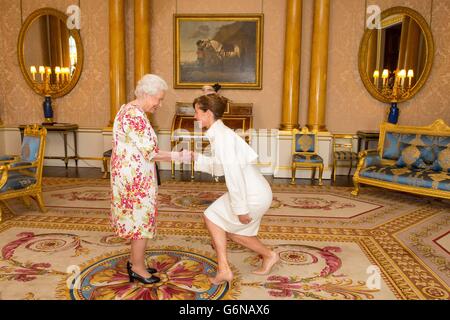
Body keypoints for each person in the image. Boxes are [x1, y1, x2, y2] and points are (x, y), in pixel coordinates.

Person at [110, 74, 191, 284]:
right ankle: (137, 268)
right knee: (141, 221)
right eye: (159, 99)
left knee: (140, 219)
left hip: (132, 174)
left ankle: (134, 260)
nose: (160, 104)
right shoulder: (135, 116)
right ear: (146, 94)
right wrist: (178, 156)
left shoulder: (128, 109)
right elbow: (151, 152)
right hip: (134, 179)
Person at [192, 94, 279, 285]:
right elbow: (220, 167)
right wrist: (195, 157)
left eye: (197, 112)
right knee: (232, 231)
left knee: (213, 217)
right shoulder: (220, 133)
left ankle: (224, 269)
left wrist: (241, 209)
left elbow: (233, 174)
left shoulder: (222, 137)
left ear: (208, 113)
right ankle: (269, 255)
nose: (195, 116)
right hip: (254, 190)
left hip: (252, 194)